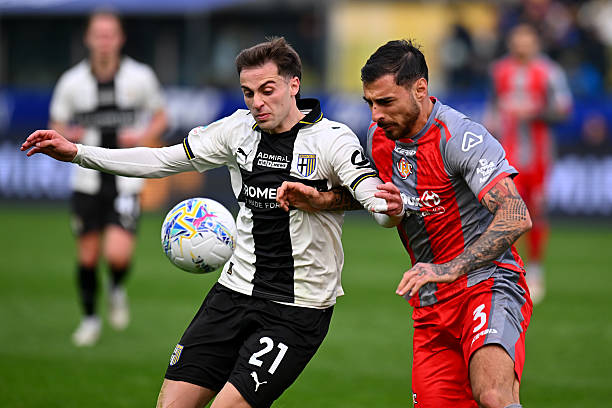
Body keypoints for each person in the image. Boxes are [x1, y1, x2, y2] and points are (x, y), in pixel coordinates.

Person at [22, 37, 401, 408]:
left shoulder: (331, 140)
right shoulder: (237, 130)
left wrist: (337, 201)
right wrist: (78, 152)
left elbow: (379, 207)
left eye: (267, 90)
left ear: (293, 85)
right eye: (248, 93)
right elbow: (161, 161)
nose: (257, 102)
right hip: (233, 292)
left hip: (297, 308)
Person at [276, 40, 533, 408]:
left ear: (420, 89)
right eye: (370, 103)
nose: (376, 114)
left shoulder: (460, 137)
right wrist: (323, 200)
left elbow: (515, 214)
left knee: (493, 395)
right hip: (430, 301)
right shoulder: (380, 137)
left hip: (486, 285)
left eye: (385, 102)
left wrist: (450, 268)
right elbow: (382, 198)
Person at [48, 11, 168, 346]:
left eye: (110, 34)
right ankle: (89, 319)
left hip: (126, 181)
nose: (104, 41)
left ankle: (115, 287)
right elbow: (56, 123)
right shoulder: (72, 82)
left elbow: (161, 117)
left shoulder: (140, 77)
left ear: (120, 38)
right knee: (87, 256)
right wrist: (66, 133)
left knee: (117, 255)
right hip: (86, 182)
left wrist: (143, 136)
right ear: (88, 39)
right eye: (98, 35)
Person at [488, 23, 572, 303]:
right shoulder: (499, 71)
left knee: (536, 212)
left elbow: (563, 110)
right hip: (507, 156)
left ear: (535, 42)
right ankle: (510, 269)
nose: (521, 44)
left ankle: (535, 270)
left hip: (539, 156)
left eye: (527, 39)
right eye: (517, 39)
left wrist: (535, 112)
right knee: (507, 210)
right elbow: (493, 106)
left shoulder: (549, 72)